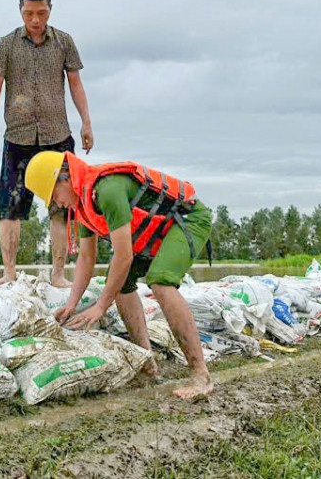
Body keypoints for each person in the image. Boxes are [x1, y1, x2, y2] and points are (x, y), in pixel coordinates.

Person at [24, 150, 214, 400]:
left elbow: (123, 256)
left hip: (187, 220)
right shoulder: (83, 205)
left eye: (53, 196)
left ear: (65, 178)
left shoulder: (107, 190)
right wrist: (71, 305)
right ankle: (146, 363)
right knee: (122, 283)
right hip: (156, 233)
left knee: (160, 281)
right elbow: (86, 258)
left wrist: (101, 306)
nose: (57, 205)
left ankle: (201, 374)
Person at [0, 0, 94, 287]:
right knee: (10, 207)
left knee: (61, 208)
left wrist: (86, 122)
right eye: (29, 13)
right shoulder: (6, 44)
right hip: (18, 136)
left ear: (50, 10)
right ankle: (9, 273)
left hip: (57, 136)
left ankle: (58, 274)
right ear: (20, 10)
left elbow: (75, 83)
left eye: (41, 13)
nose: (35, 20)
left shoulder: (64, 42)